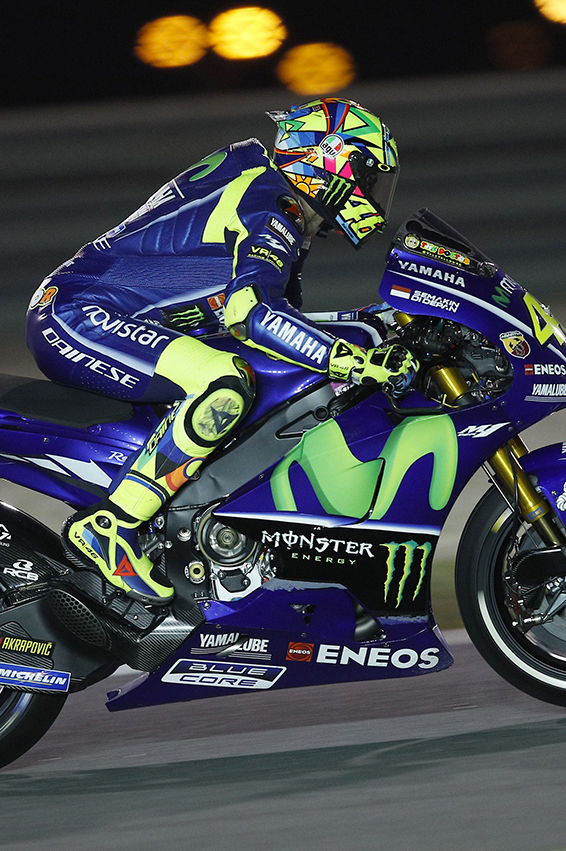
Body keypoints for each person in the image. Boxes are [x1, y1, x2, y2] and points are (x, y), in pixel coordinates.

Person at [26, 97, 417, 606]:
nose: (374, 197)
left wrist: (372, 323)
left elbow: (282, 322)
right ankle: (112, 525)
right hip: (80, 317)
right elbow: (250, 314)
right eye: (369, 179)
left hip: (99, 313)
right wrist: (352, 359)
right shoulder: (272, 205)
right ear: (331, 162)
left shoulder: (272, 193)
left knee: (263, 373)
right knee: (226, 381)